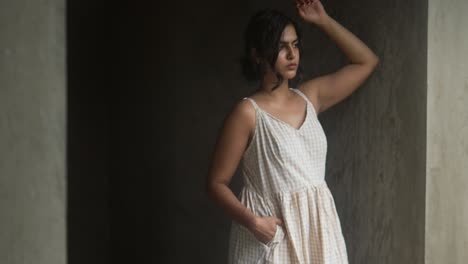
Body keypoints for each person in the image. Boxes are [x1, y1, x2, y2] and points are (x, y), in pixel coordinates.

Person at [206, 0, 379, 263]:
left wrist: (324, 20)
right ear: (257, 55)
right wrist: (253, 222)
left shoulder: (311, 97)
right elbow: (215, 184)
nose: (292, 55)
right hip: (273, 237)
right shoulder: (248, 113)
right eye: (281, 47)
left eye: (295, 45)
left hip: (319, 233)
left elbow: (366, 62)